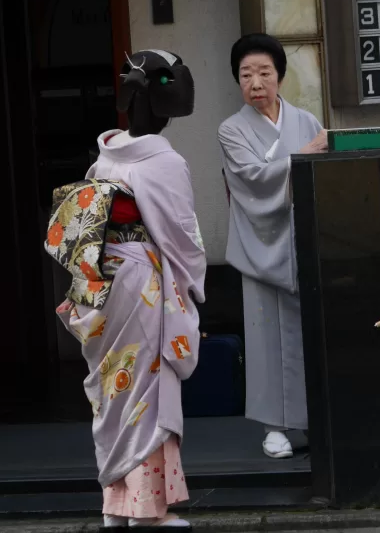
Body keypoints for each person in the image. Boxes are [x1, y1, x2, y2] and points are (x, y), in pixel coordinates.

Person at [51, 49, 206, 529]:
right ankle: (145, 510)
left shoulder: (108, 154)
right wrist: (194, 281)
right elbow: (181, 236)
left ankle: (115, 506)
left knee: (113, 390)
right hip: (141, 281)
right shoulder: (164, 161)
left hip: (102, 279)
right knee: (146, 387)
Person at [218, 33, 328, 459]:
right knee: (266, 338)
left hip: (304, 240)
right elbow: (250, 180)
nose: (256, 82)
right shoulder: (232, 130)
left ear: (280, 76)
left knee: (307, 335)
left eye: (264, 72)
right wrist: (302, 156)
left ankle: (314, 418)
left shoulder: (305, 120)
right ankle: (274, 427)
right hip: (261, 245)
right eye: (246, 74)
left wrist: (302, 154)